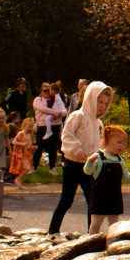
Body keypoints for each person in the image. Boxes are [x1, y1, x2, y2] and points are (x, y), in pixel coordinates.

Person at [49, 81, 112, 235]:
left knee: (92, 201)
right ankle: (53, 230)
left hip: (90, 167)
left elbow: (100, 144)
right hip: (73, 165)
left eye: (105, 103)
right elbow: (66, 135)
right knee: (66, 200)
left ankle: (92, 233)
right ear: (90, 98)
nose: (102, 106)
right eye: (100, 102)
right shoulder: (78, 115)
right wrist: (76, 149)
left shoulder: (98, 123)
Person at [85, 126, 130, 234]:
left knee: (114, 224)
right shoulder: (99, 158)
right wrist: (90, 162)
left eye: (123, 143)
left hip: (114, 196)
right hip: (99, 196)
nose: (121, 145)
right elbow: (88, 171)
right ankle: (91, 241)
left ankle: (113, 241)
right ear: (107, 141)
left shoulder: (120, 160)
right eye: (119, 142)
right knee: (96, 222)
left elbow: (126, 176)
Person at [32, 82, 66, 174]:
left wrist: (60, 114)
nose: (47, 92)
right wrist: (55, 113)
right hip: (42, 125)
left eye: (49, 90)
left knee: (53, 147)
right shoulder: (38, 99)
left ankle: (52, 168)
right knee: (39, 147)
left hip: (55, 125)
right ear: (41, 91)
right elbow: (42, 109)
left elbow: (64, 110)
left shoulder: (56, 99)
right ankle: (34, 167)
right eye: (45, 90)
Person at [9, 118, 36, 189]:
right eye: (29, 126)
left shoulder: (29, 135)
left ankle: (20, 183)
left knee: (27, 169)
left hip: (27, 155)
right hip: (21, 155)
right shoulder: (21, 134)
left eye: (31, 127)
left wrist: (33, 148)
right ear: (24, 126)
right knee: (27, 168)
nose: (30, 128)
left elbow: (28, 146)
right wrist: (22, 144)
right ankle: (17, 179)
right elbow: (14, 142)